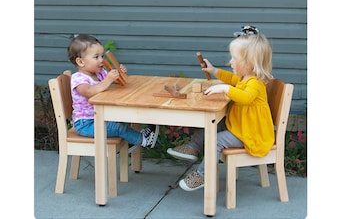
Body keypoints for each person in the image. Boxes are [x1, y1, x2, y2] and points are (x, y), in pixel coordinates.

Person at [167, 26, 275, 191]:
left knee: (215, 140)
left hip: (250, 134)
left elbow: (246, 98)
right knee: (213, 125)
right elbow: (232, 78)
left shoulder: (255, 83)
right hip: (241, 126)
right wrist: (214, 71)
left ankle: (203, 175)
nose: (230, 62)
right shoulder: (245, 78)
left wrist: (225, 89)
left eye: (234, 58)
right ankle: (193, 147)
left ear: (249, 63)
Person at [67, 34, 159, 150]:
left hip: (101, 117)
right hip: (86, 124)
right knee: (117, 128)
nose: (101, 60)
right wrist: (108, 80)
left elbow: (115, 83)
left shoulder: (100, 74)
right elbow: (89, 92)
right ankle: (143, 140)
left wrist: (119, 74)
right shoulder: (79, 79)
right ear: (81, 62)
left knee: (123, 117)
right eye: (96, 57)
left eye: (101, 56)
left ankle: (130, 142)